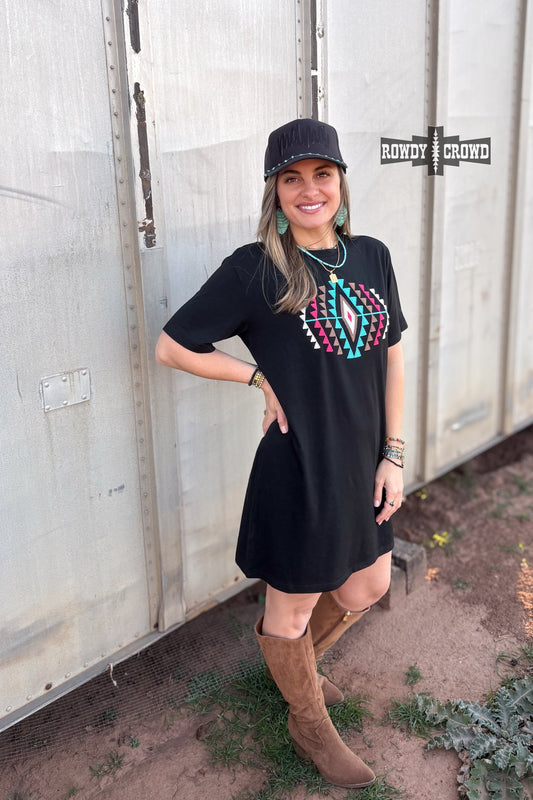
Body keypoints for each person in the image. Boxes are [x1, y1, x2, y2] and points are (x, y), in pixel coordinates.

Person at [155, 118, 407, 789]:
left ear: (340, 182)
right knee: (290, 607)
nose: (308, 189)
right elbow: (172, 346)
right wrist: (257, 378)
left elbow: (391, 357)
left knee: (368, 584)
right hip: (300, 467)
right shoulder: (256, 268)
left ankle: (295, 673)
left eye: (321, 174)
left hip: (364, 461)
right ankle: (308, 720)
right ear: (275, 191)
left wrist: (393, 453)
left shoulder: (372, 256)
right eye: (291, 178)